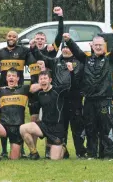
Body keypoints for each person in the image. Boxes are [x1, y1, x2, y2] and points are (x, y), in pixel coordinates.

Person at [63, 22, 113, 159]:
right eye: (95, 45)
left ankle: (108, 154)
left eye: (100, 45)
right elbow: (76, 51)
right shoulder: (86, 59)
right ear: (92, 45)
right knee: (90, 128)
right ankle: (91, 153)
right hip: (89, 101)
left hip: (104, 100)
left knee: (106, 127)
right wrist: (69, 40)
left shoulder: (110, 59)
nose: (98, 47)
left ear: (104, 46)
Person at [31, 22, 86, 159]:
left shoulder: (79, 62)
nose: (66, 50)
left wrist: (69, 41)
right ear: (61, 50)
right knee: (61, 126)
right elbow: (42, 58)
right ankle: (63, 149)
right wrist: (33, 49)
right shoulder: (56, 62)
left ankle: (80, 151)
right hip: (59, 100)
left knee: (77, 128)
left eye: (68, 48)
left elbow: (77, 80)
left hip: (75, 100)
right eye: (64, 48)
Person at [0, 68, 41, 162]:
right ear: (6, 78)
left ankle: (33, 152)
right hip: (3, 125)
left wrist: (43, 82)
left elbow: (37, 86)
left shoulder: (24, 89)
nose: (11, 78)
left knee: (14, 159)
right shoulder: (0, 91)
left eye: (13, 76)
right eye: (9, 76)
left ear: (18, 78)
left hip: (17, 128)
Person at [20, 70, 70, 160]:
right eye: (41, 79)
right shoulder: (39, 94)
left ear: (50, 80)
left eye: (45, 78)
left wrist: (71, 72)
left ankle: (63, 148)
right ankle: (34, 153)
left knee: (54, 159)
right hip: (44, 125)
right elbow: (35, 107)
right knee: (23, 128)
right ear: (39, 82)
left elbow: (69, 86)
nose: (43, 80)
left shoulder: (58, 91)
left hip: (57, 128)